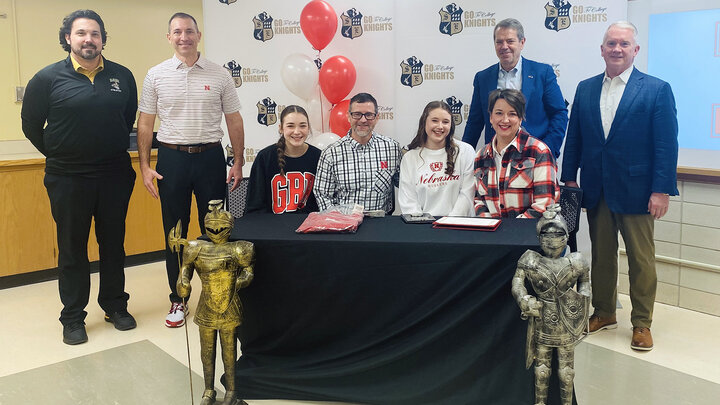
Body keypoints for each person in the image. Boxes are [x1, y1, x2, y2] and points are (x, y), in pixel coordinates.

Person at [21, 9, 138, 345]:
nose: (89, 39)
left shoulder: (122, 76)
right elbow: (31, 126)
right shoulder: (46, 79)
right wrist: (60, 153)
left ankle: (115, 305)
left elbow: (126, 118)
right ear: (68, 38)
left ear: (103, 39)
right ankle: (73, 316)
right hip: (68, 177)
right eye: (82, 33)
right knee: (72, 248)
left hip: (114, 174)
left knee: (113, 245)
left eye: (95, 34)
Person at [561, 21, 679, 351]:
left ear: (635, 50)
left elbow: (666, 144)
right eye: (611, 43)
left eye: (624, 44)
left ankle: (642, 322)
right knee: (601, 256)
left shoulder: (656, 89)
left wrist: (661, 190)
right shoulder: (585, 88)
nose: (617, 49)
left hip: (639, 192)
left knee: (642, 260)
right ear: (602, 49)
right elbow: (575, 139)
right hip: (596, 188)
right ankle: (604, 312)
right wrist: (570, 178)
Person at [137, 12, 246, 328]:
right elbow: (146, 123)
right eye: (177, 32)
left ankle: (217, 296)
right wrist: (145, 166)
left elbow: (234, 119)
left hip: (210, 158)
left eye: (189, 31)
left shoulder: (220, 74)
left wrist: (237, 161)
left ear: (198, 35)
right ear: (168, 37)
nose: (183, 36)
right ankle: (178, 299)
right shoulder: (156, 75)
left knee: (216, 230)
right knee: (175, 232)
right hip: (172, 161)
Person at [512, 204, 590, 405]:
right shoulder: (531, 259)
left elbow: (585, 284)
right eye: (548, 235)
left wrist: (583, 304)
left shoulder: (576, 261)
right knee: (542, 368)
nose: (553, 240)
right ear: (540, 237)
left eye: (558, 234)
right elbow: (518, 282)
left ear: (565, 237)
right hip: (542, 319)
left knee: (566, 371)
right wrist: (523, 299)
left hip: (566, 322)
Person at [462, 18, 568, 158]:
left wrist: (546, 150)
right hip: (496, 158)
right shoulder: (483, 78)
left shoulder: (542, 73)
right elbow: (475, 122)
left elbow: (559, 113)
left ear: (522, 42)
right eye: (499, 42)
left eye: (510, 41)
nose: (504, 46)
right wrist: (462, 157)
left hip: (534, 157)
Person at [474, 89, 558, 218]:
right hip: (492, 234)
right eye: (499, 113)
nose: (505, 120)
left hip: (529, 233)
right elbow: (479, 201)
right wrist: (490, 229)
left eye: (512, 114)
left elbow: (544, 206)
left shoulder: (538, 151)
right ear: (491, 117)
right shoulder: (481, 156)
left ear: (520, 118)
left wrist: (511, 232)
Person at [314, 92, 401, 213]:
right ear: (349, 116)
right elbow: (323, 195)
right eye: (357, 114)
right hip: (344, 225)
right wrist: (337, 221)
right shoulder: (331, 153)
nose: (363, 120)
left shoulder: (392, 148)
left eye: (369, 115)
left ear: (377, 118)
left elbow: (406, 185)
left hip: (381, 223)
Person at [398, 100, 475, 217]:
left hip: (459, 226)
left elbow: (467, 194)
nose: (440, 126)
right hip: (424, 229)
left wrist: (450, 222)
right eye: (434, 121)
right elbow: (409, 202)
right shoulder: (410, 158)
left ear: (451, 125)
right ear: (424, 122)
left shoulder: (465, 151)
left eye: (445, 122)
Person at [246, 105, 321, 214]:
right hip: (273, 226)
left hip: (308, 225)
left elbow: (323, 203)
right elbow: (255, 206)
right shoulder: (265, 157)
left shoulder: (318, 156)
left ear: (308, 128)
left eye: (302, 126)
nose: (297, 131)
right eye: (290, 126)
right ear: (281, 128)